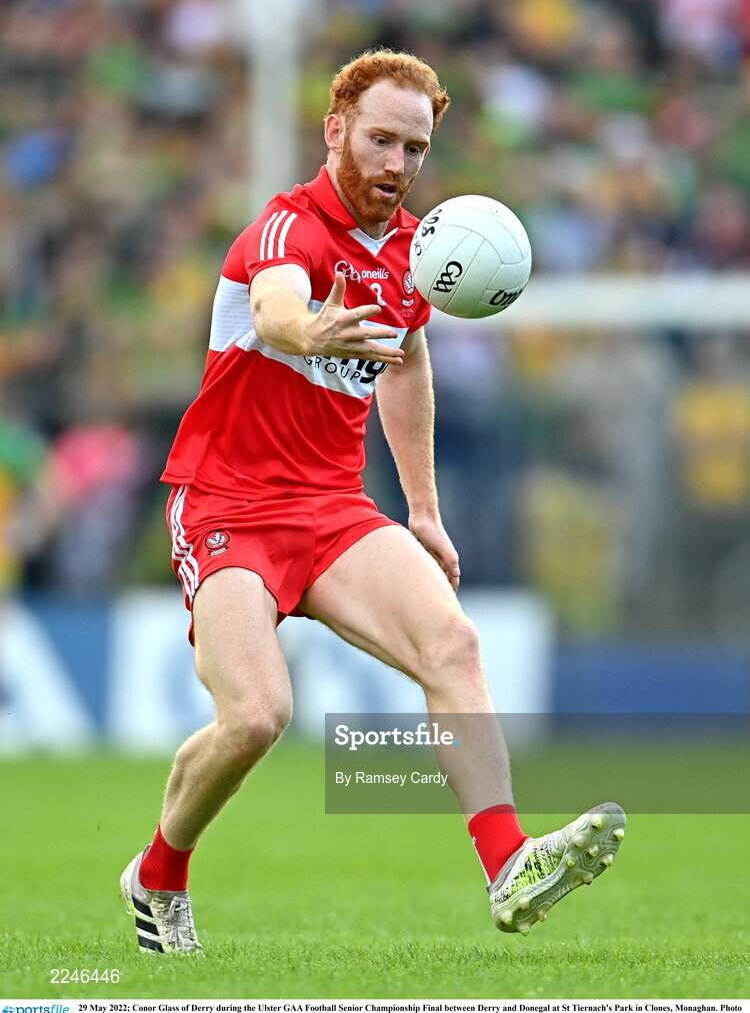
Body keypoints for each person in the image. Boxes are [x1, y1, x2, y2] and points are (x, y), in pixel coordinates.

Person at [119, 49, 626, 955]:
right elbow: (277, 311)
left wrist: (423, 510)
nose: (397, 164)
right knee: (257, 716)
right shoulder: (285, 230)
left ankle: (508, 862)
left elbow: (409, 363)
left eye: (416, 148)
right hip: (227, 503)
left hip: (330, 506)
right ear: (336, 131)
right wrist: (312, 328)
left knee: (454, 643)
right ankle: (158, 872)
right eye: (381, 140)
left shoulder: (415, 251)